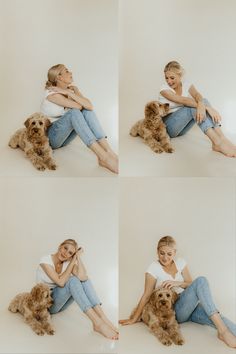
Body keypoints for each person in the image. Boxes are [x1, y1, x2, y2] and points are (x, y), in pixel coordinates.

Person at [119, 236, 236, 348]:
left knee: (217, 318)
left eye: (169, 254)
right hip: (174, 310)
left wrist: (178, 283)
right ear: (157, 251)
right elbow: (146, 295)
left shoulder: (181, 262)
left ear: (175, 253)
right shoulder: (153, 268)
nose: (165, 257)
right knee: (201, 280)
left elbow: (191, 284)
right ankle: (223, 332)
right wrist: (134, 318)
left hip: (189, 306)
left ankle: (224, 331)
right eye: (162, 253)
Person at [40, 64, 118, 173]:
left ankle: (109, 151)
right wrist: (69, 93)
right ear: (59, 77)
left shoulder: (69, 92)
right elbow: (79, 106)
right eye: (67, 71)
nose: (71, 73)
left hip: (64, 139)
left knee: (87, 111)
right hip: (51, 138)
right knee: (74, 113)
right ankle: (103, 157)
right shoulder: (51, 93)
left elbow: (89, 106)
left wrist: (75, 91)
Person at [36, 238, 118, 340]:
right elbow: (60, 283)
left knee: (81, 280)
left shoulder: (67, 263)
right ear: (60, 246)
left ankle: (102, 317)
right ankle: (98, 323)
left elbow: (83, 277)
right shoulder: (45, 260)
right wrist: (73, 260)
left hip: (60, 305)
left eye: (70, 253)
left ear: (71, 256)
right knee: (73, 280)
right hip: (46, 305)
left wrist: (78, 257)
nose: (66, 253)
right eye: (65, 248)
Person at [158, 61, 236, 157]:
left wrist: (201, 104)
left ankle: (222, 138)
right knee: (194, 106)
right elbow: (183, 100)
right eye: (166, 78)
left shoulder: (186, 84)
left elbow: (197, 95)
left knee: (202, 101)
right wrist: (207, 108)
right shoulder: (163, 89)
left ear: (180, 75)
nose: (169, 81)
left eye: (172, 78)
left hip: (182, 129)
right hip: (168, 127)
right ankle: (217, 143)